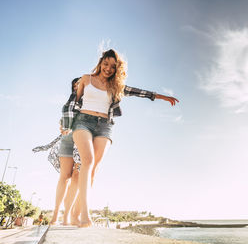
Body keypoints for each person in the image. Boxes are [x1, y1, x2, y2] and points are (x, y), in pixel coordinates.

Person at [63, 49, 179, 227]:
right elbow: (72, 102)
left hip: (105, 126)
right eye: (106, 64)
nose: (108, 68)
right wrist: (65, 124)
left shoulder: (115, 87)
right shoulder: (86, 79)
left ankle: (75, 213)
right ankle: (85, 215)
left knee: (93, 170)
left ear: (117, 69)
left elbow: (139, 92)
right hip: (83, 122)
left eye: (113, 67)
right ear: (101, 62)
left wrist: (162, 96)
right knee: (87, 161)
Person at [33, 78, 82, 225]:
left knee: (77, 176)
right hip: (67, 139)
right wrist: (62, 126)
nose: (77, 88)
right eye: (75, 86)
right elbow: (63, 121)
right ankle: (56, 213)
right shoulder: (69, 103)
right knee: (64, 177)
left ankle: (67, 214)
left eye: (80, 85)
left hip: (82, 140)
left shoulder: (90, 101)